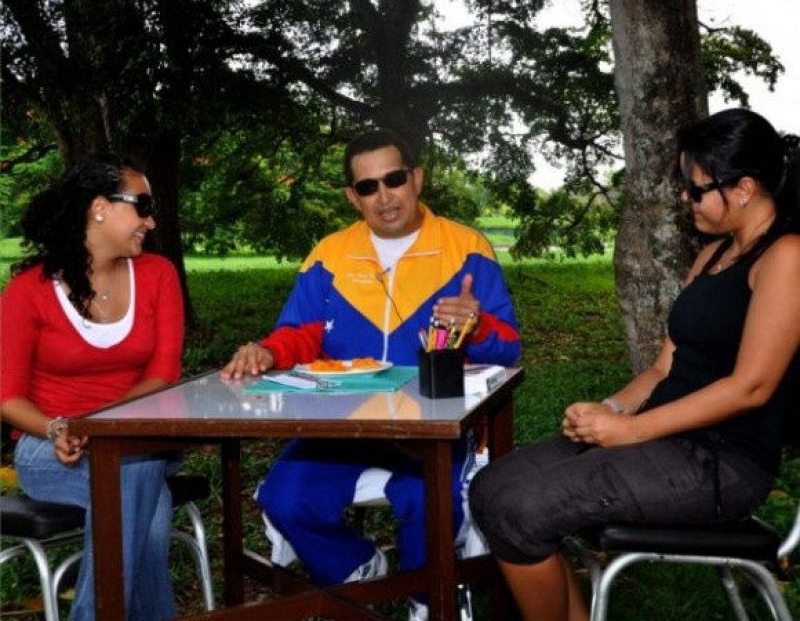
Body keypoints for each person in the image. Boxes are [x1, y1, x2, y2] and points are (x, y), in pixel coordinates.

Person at [469, 107, 800, 621]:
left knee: (520, 510)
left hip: (722, 462)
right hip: (663, 439)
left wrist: (631, 431)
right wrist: (611, 409)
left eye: (696, 189)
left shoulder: (786, 257)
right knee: (491, 488)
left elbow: (751, 387)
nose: (685, 198)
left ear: (743, 189)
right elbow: (664, 367)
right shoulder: (712, 256)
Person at [222, 128, 520, 619]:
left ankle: (428, 599)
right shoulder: (329, 254)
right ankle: (356, 569)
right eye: (368, 186)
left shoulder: (467, 249)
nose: (384, 197)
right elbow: (298, 333)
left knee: (430, 500)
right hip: (339, 426)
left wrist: (478, 324)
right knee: (285, 497)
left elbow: (510, 348)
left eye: (394, 179)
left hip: (431, 428)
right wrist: (267, 352)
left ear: (417, 178)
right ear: (352, 197)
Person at [0, 155, 185, 620]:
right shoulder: (27, 291)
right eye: (142, 206)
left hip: (135, 440)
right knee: (147, 499)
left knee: (132, 466)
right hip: (50, 445)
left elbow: (163, 377)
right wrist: (62, 428)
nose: (151, 221)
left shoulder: (159, 275)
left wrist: (99, 425)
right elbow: (7, 398)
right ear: (99, 208)